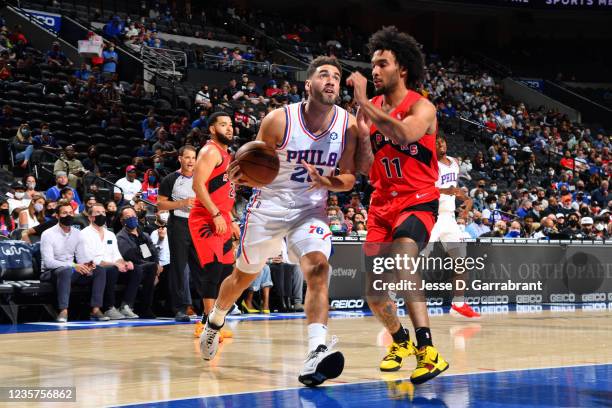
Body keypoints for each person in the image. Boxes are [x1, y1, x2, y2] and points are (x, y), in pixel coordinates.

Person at [201, 56, 358, 388]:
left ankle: (316, 349)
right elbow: (254, 164)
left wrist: (328, 183)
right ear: (308, 84)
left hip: (310, 211)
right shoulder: (278, 120)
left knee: (318, 268)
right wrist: (243, 175)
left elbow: (348, 179)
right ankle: (215, 319)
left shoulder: (348, 124)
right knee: (243, 276)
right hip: (268, 208)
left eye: (336, 77)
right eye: (324, 75)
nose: (331, 80)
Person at [347, 26, 448, 384]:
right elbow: (364, 167)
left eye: (382, 64)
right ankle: (400, 341)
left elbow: (405, 133)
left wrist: (362, 106)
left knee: (405, 255)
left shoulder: (422, 106)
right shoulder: (371, 110)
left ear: (401, 68)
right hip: (381, 204)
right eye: (372, 65)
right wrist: (360, 137)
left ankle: (428, 350)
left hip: (418, 199)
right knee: (374, 295)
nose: (374, 71)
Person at [189, 112, 240, 339]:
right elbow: (198, 185)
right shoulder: (210, 151)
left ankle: (209, 320)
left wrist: (230, 218)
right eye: (223, 124)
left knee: (228, 271)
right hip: (205, 217)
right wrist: (217, 214)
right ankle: (209, 327)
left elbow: (225, 193)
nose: (229, 128)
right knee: (213, 268)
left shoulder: (228, 155)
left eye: (230, 125)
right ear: (212, 129)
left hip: (223, 217)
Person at [426, 133, 479, 318]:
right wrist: (442, 190)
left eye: (443, 141)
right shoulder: (428, 163)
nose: (441, 143)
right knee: (410, 260)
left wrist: (467, 200)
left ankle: (458, 304)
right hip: (430, 215)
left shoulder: (454, 162)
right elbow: (422, 188)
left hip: (448, 217)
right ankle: (390, 298)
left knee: (461, 261)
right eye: (437, 142)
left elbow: (454, 188)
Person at [40, 200, 109, 322]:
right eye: (64, 213)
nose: (68, 215)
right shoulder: (48, 234)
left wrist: (88, 264)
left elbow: (82, 257)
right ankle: (63, 311)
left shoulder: (77, 233)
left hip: (72, 271)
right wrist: (73, 265)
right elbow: (48, 262)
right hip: (51, 272)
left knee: (99, 270)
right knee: (66, 270)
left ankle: (96, 309)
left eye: (71, 213)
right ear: (57, 216)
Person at [158, 145, 199, 322]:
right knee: (179, 267)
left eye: (193, 158)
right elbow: (160, 205)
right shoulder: (170, 179)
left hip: (199, 225)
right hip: (179, 225)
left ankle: (205, 305)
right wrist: (181, 203)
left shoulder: (201, 178)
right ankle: (180, 308)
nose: (191, 161)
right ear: (180, 159)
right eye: (187, 157)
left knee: (201, 266)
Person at [80, 203, 135, 320]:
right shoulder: (84, 234)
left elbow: (116, 254)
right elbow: (91, 260)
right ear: (90, 217)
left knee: (137, 269)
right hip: (94, 267)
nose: (102, 215)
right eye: (98, 213)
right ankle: (109, 308)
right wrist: (114, 264)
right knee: (112, 269)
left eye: (103, 212)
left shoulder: (110, 234)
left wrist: (123, 262)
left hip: (113, 266)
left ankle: (126, 306)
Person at [116, 206, 160, 319]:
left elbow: (152, 253)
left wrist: (155, 267)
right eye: (128, 217)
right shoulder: (121, 237)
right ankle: (135, 307)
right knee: (147, 267)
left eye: (133, 216)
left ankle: (151, 308)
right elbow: (130, 256)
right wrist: (151, 267)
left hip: (147, 268)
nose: (132, 219)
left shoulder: (143, 235)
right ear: (122, 220)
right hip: (130, 270)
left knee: (156, 268)